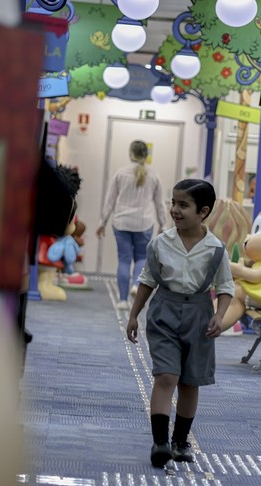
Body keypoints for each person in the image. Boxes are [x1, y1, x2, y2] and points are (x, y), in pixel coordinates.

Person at [126, 179, 234, 467]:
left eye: (183, 205)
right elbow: (147, 280)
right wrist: (134, 314)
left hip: (199, 316)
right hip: (164, 311)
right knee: (166, 376)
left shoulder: (216, 249)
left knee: (189, 382)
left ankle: (180, 440)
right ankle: (160, 443)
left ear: (203, 212)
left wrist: (219, 316)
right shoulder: (160, 243)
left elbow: (225, 288)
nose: (175, 209)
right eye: (173, 202)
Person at [97, 140, 167, 310]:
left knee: (124, 259)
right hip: (144, 223)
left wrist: (102, 222)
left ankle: (122, 300)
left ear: (130, 153)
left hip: (121, 223)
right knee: (142, 258)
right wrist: (163, 224)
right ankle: (136, 284)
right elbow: (160, 204)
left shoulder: (120, 174)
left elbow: (110, 200)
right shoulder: (154, 176)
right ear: (146, 155)